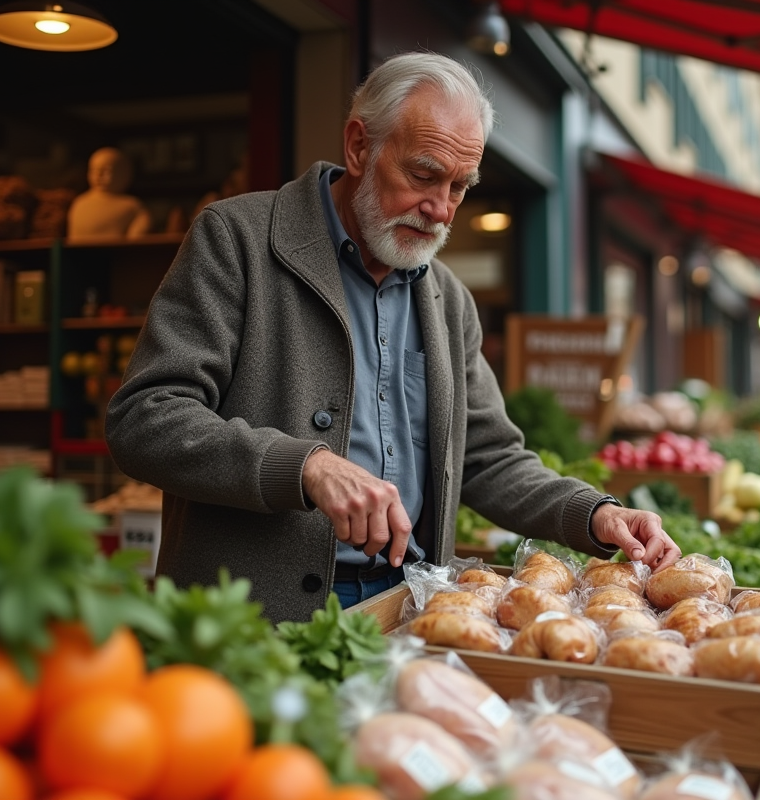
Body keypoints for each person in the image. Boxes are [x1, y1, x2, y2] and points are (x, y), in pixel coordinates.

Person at [105, 52, 680, 623]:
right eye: (424, 175)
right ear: (359, 146)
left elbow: (487, 457)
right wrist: (307, 467)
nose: (439, 210)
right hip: (251, 616)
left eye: (459, 187)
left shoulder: (449, 299)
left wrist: (593, 514)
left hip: (414, 608)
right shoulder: (236, 239)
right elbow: (145, 417)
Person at [67, 147, 152, 239]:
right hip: (82, 252)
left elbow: (138, 237)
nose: (99, 175)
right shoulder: (79, 203)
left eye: (106, 171)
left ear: (123, 174)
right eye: (94, 170)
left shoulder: (131, 206)